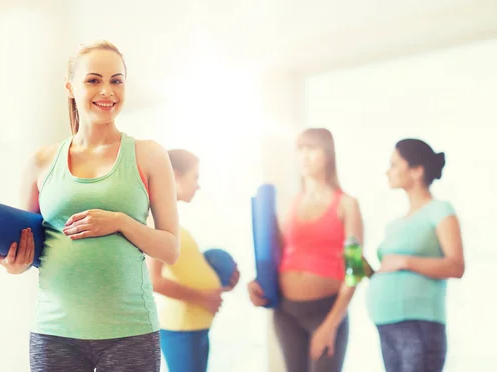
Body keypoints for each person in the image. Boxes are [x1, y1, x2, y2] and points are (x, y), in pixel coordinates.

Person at [0, 40, 180, 372]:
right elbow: (31, 249)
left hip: (130, 332)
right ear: (70, 87)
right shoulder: (41, 162)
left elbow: (170, 249)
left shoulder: (148, 154)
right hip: (54, 333)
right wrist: (14, 263)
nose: (107, 91)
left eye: (116, 80)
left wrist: (121, 221)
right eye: (93, 80)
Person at [248, 128, 364, 372]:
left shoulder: (347, 204)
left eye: (312, 149)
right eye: (300, 150)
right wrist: (256, 284)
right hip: (286, 313)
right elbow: (276, 258)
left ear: (328, 155)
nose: (304, 156)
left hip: (326, 311)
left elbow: (354, 270)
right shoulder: (289, 205)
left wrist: (331, 325)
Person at [366, 139, 465, 372]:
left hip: (419, 325)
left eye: (393, 164)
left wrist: (405, 261)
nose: (387, 171)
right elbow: (390, 270)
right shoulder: (394, 224)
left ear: (417, 171)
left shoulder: (440, 211)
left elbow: (456, 266)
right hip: (386, 323)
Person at [147, 149, 240, 372]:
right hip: (181, 328)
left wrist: (222, 281)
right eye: (195, 177)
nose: (198, 185)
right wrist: (204, 297)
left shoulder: (172, 220)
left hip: (194, 326)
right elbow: (154, 281)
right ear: (176, 175)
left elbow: (188, 270)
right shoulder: (157, 219)